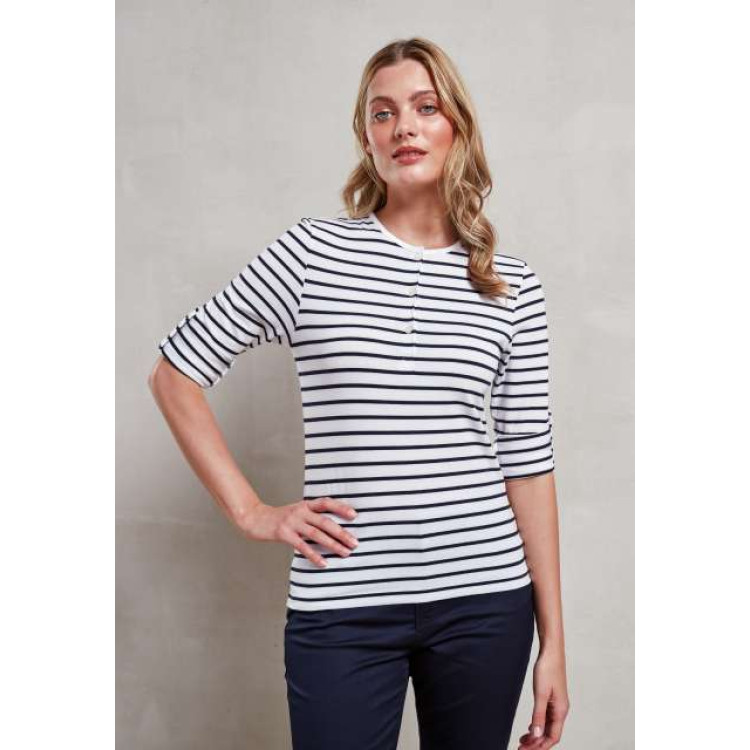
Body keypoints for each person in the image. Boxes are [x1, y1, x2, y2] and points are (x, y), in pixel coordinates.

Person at [149, 37, 570, 750]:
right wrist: (251, 511)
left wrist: (554, 642)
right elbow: (175, 372)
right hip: (342, 604)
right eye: (382, 113)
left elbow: (528, 465)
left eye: (425, 107)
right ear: (366, 138)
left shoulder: (510, 286)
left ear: (458, 125)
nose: (404, 126)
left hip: (486, 602)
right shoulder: (310, 255)